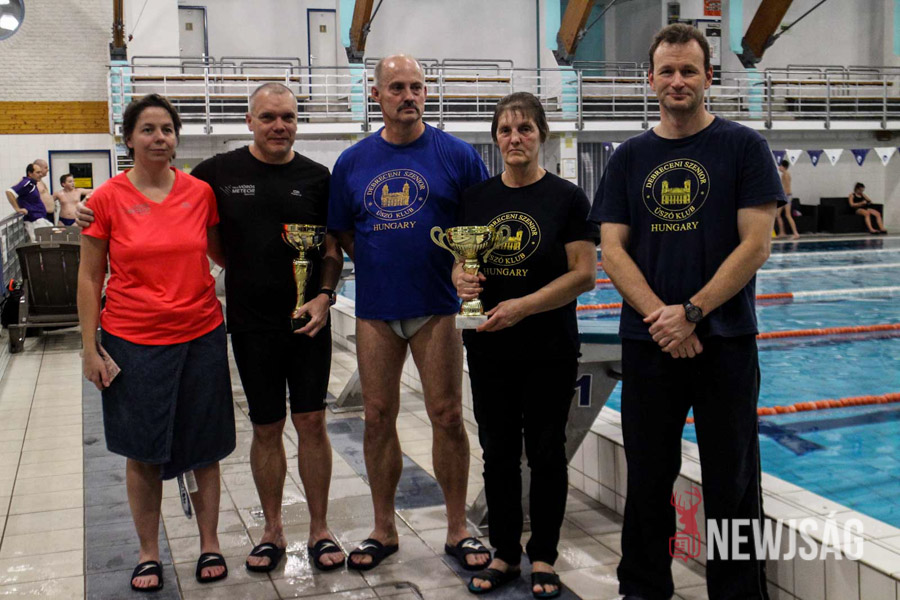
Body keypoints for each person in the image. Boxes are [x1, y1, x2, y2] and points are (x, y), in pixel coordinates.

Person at [77, 82, 345, 573]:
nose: (279, 126)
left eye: (287, 117)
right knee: (263, 428)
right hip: (240, 324)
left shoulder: (314, 178)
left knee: (310, 423)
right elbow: (210, 243)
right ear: (249, 121)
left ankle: (319, 530)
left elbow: (331, 247)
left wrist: (325, 296)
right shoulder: (216, 175)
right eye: (268, 117)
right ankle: (270, 532)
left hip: (296, 322)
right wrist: (82, 208)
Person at [591, 24, 778, 600]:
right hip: (651, 342)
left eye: (688, 70)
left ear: (708, 78)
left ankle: (738, 594)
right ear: (650, 80)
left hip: (725, 340)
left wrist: (692, 312)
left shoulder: (743, 147)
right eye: (667, 71)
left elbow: (757, 244)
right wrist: (663, 319)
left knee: (733, 481)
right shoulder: (629, 157)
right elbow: (612, 250)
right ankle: (644, 588)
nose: (677, 80)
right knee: (648, 477)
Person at [328, 54, 492, 572]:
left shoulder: (458, 155)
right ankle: (383, 528)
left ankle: (457, 528)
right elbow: (342, 232)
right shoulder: (352, 162)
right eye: (397, 87)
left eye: (417, 87)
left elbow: (480, 227)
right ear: (376, 94)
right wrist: (380, 263)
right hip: (377, 309)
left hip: (437, 307)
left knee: (447, 415)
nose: (409, 96)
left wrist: (460, 270)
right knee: (377, 416)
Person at [77, 94, 235, 592]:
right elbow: (89, 277)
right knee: (141, 451)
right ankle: (149, 552)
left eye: (167, 129)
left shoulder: (200, 193)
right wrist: (89, 347)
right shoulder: (105, 200)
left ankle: (210, 543)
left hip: (200, 334)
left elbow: (223, 255)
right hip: (133, 340)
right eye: (147, 129)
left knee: (205, 447)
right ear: (128, 138)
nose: (159, 138)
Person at [453, 92, 597, 598]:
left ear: (542, 136)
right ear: (496, 139)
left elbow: (584, 275)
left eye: (525, 129)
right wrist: (460, 279)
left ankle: (544, 556)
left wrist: (524, 306)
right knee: (496, 453)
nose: (515, 138)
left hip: (548, 347)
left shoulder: (567, 198)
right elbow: (460, 261)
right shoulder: (476, 199)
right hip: (489, 347)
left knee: (546, 452)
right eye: (506, 130)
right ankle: (505, 553)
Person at [5, 163, 52, 240]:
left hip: (39, 218)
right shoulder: (27, 183)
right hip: (34, 220)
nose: (40, 174)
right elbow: (9, 192)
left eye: (41, 172)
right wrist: (17, 209)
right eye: (37, 172)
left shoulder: (33, 184)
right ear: (30, 173)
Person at [775, 160, 799, 239]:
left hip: (786, 196)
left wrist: (783, 196)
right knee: (778, 214)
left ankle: (795, 233)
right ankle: (782, 232)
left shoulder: (786, 175)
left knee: (787, 215)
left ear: (783, 167)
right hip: (785, 196)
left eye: (780, 166)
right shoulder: (784, 174)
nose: (779, 167)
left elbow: (787, 188)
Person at [32, 159, 56, 224]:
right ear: (38, 168)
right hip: (41, 215)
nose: (48, 169)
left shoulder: (40, 181)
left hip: (49, 215)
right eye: (45, 167)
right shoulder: (31, 181)